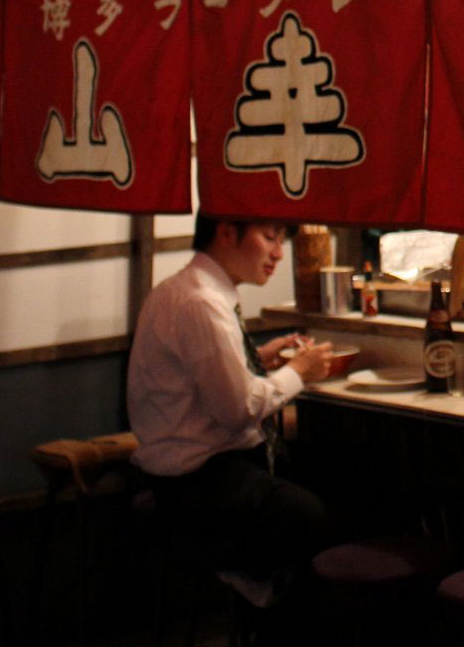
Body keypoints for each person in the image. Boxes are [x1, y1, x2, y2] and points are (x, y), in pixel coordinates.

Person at [127, 214, 339, 586]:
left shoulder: (180, 288)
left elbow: (206, 383)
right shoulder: (201, 302)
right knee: (318, 514)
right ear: (225, 231)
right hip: (199, 487)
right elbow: (238, 410)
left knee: (330, 473)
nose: (278, 253)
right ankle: (287, 628)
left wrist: (259, 358)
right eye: (270, 237)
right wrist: (299, 372)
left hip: (182, 478)